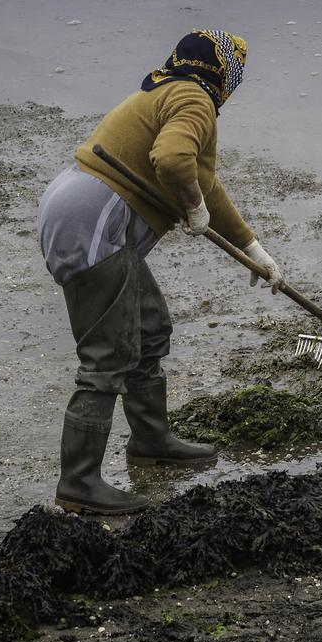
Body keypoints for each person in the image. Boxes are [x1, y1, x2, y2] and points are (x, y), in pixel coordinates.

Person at [37, 29, 284, 515]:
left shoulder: (171, 89)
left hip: (80, 210)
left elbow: (204, 183)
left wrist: (254, 248)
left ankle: (151, 441)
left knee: (149, 329)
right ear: (222, 74)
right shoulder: (195, 99)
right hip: (92, 224)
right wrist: (190, 206)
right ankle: (79, 482)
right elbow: (173, 161)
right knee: (108, 357)